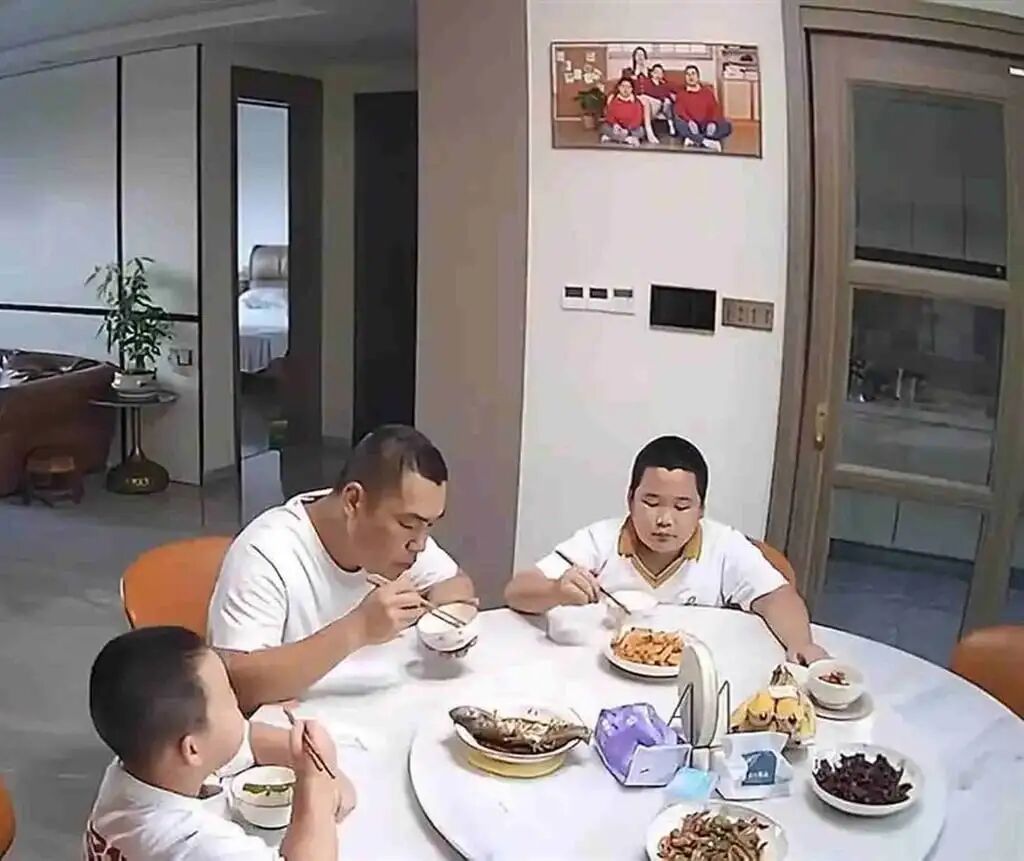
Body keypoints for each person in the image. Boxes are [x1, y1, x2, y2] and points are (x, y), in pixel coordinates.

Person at [209, 424, 476, 712]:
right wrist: (359, 628)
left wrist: (439, 624)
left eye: (429, 525)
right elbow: (237, 682)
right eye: (408, 524)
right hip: (296, 729)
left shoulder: (405, 542)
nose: (420, 544)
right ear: (353, 501)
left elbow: (456, 584)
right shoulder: (266, 551)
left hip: (372, 711)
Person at [504, 436, 828, 665]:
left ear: (701, 509)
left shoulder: (724, 546)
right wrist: (555, 590)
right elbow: (516, 592)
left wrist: (802, 644)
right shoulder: (600, 539)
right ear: (630, 499)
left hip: (691, 678)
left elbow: (777, 597)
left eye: (682, 506)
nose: (664, 520)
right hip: (605, 672)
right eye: (651, 502)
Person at [85, 626, 355, 860]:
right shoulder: (192, 843)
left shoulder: (140, 767)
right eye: (229, 698)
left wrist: (301, 754)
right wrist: (316, 783)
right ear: (192, 749)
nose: (239, 706)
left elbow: (248, 738)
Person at [672, 65, 733, 152]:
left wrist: (712, 122)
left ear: (698, 77)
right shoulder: (681, 94)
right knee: (679, 123)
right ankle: (706, 141)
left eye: (693, 74)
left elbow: (715, 109)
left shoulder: (707, 92)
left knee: (727, 125)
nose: (691, 77)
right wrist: (689, 121)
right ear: (685, 78)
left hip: (706, 125)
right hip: (691, 125)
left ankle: (694, 139)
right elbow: (680, 110)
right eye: (688, 74)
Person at [600, 77, 649, 148]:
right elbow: (609, 115)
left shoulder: (636, 102)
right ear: (619, 87)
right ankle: (627, 139)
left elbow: (638, 119)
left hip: (631, 129)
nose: (625, 89)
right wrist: (615, 124)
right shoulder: (613, 99)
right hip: (617, 127)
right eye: (623, 86)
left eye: (628, 87)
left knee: (641, 131)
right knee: (604, 127)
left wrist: (628, 130)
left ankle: (613, 138)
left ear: (632, 89)